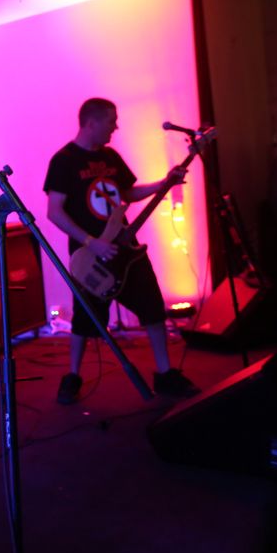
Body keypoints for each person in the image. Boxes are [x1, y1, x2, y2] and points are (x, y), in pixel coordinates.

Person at [44, 97, 200, 405]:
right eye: (110, 121)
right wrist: (91, 242)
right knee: (85, 318)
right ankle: (72, 376)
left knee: (152, 305)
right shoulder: (63, 161)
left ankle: (165, 374)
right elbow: (54, 212)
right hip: (90, 257)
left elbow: (128, 193)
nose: (115, 127)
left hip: (125, 247)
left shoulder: (111, 157)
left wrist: (163, 184)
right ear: (91, 123)